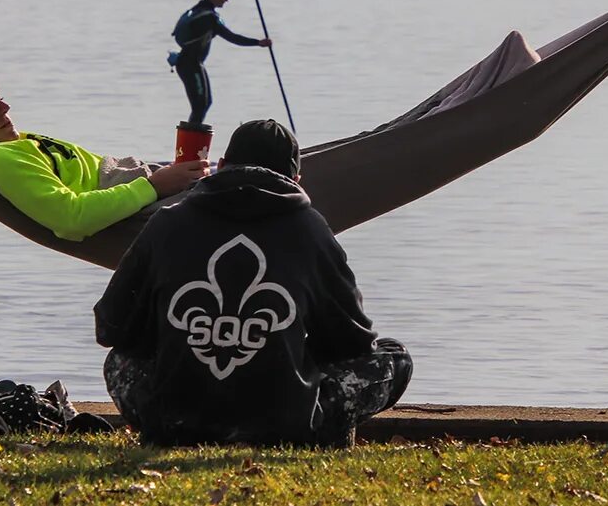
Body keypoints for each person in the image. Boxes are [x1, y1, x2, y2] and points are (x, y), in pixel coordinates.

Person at [94, 119, 413, 446]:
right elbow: (352, 344)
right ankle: (325, 437)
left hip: (174, 423)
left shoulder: (166, 222)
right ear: (296, 180)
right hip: (287, 427)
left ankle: (171, 426)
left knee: (120, 360)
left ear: (220, 166)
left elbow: (110, 329)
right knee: (394, 358)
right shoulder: (312, 230)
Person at [0, 65, 207, 241]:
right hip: (149, 208)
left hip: (152, 187)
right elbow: (70, 218)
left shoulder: (14, 144)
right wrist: (154, 186)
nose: (4, 107)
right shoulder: (2, 158)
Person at [169, 0, 272, 127]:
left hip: (193, 63)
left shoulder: (202, 7)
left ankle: (193, 141)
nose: (226, 0)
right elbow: (233, 38)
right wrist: (258, 42)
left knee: (205, 103)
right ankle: (190, 145)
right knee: (200, 105)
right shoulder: (209, 19)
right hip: (189, 64)